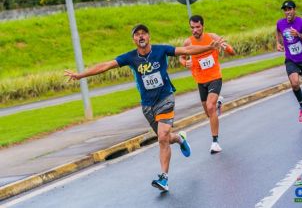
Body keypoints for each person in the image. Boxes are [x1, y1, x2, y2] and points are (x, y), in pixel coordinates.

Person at [65, 24, 224, 192]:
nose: (141, 36)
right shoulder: (130, 57)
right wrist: (80, 75)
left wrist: (209, 46)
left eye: (144, 33)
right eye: (137, 34)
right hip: (148, 105)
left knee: (162, 137)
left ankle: (164, 178)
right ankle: (179, 139)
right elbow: (105, 66)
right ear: (134, 39)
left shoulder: (161, 50)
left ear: (149, 37)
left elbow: (186, 50)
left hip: (165, 99)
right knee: (167, 138)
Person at [179, 15, 235, 154]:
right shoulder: (188, 42)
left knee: (210, 107)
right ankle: (218, 104)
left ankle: (215, 142)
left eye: (197, 27)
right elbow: (181, 56)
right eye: (192, 27)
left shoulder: (212, 37)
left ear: (203, 26)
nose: (195, 30)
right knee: (208, 113)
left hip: (215, 77)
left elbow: (232, 52)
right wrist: (185, 63)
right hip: (200, 81)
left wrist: (225, 47)